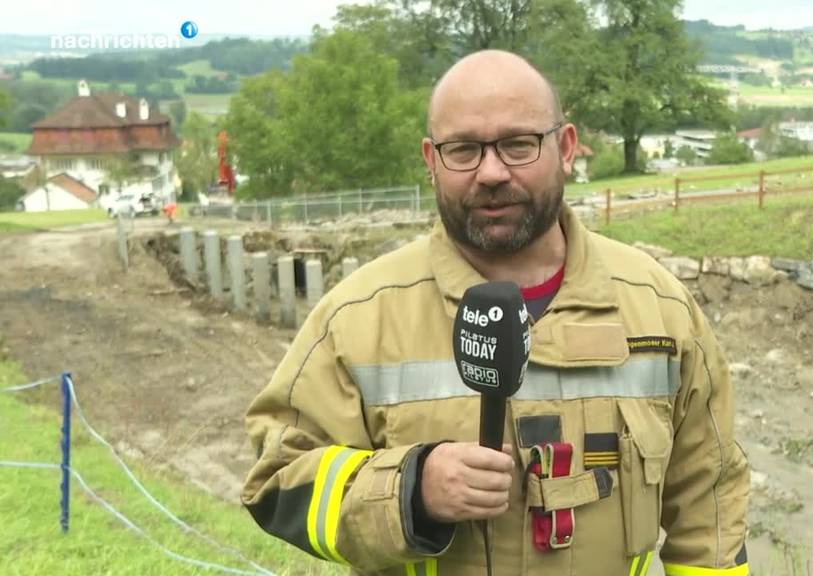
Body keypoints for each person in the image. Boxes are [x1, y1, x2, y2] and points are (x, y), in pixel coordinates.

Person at [242, 50, 749, 576]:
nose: (490, 172)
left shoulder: (660, 309)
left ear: (566, 147)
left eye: (517, 144)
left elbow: (710, 499)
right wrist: (411, 489)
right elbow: (277, 479)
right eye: (463, 149)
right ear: (430, 160)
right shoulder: (357, 319)